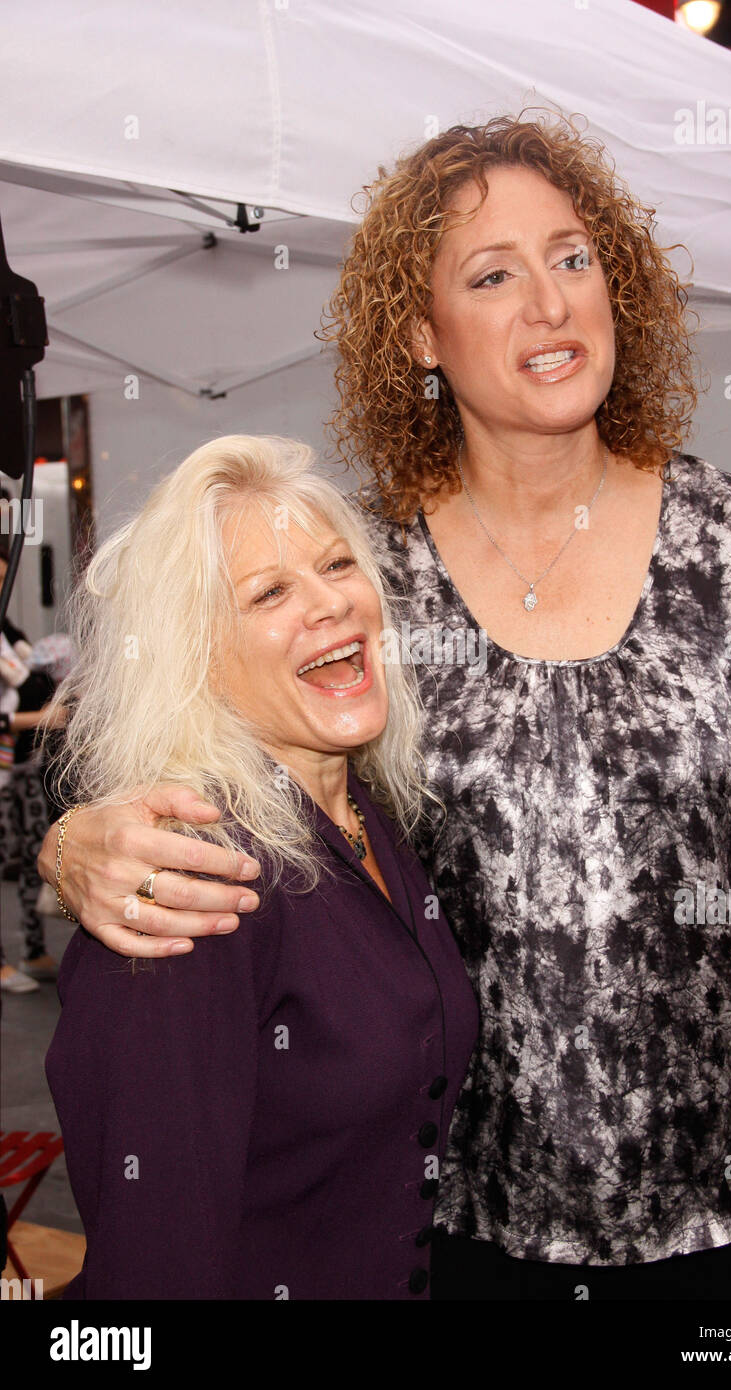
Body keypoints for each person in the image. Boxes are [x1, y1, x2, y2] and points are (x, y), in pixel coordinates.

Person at [39, 113, 731, 1300]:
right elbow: (185, 729)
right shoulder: (364, 579)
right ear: (421, 336)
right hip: (458, 1239)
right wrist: (76, 840)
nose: (549, 304)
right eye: (493, 275)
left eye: (572, 258)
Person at [43, 435, 478, 1299]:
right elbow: (150, 1275)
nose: (332, 605)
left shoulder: (365, 817)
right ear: (192, 655)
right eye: (270, 591)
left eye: (338, 565)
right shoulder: (191, 882)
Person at [0, 536, 62, 992]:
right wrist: (42, 718)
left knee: (29, 856)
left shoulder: (8, 630)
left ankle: (34, 949)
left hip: (23, 763)